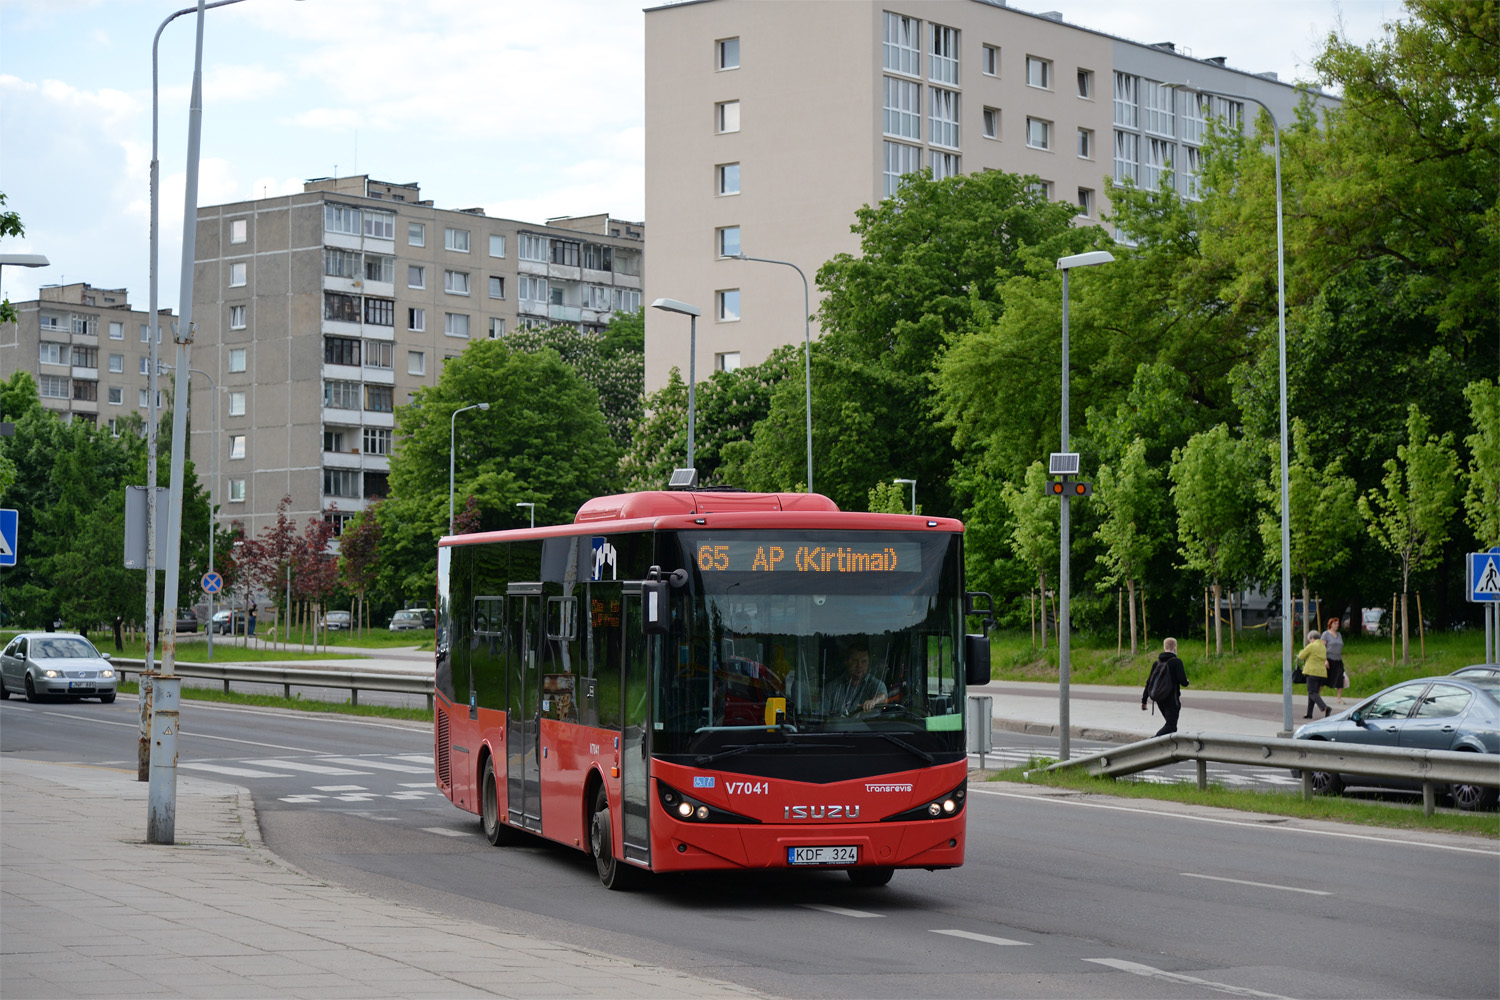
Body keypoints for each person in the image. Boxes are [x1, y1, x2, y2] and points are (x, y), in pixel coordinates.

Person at [1140, 637, 1190, 736]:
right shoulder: (1177, 662)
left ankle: (1166, 749)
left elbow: (1149, 682)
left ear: (1164, 647)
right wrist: (1187, 682)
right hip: (1172, 700)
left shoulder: (1157, 663)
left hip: (1159, 700)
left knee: (1170, 727)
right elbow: (1183, 681)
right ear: (1175, 648)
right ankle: (1152, 744)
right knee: (1171, 726)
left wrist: (1144, 700)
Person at [825, 639, 887, 715]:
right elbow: (823, 716)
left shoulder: (876, 685)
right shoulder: (832, 688)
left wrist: (874, 701)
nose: (859, 666)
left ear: (868, 664)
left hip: (868, 726)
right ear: (846, 661)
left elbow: (883, 697)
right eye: (854, 660)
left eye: (863, 661)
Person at [1297, 629, 1331, 718]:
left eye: (1309, 639)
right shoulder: (1323, 647)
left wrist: (1301, 651)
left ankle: (1324, 707)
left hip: (1312, 672)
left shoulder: (1311, 646)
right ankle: (1309, 713)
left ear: (1312, 638)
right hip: (1321, 673)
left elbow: (1301, 656)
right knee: (1313, 693)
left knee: (1312, 692)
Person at [1321, 616, 1347, 705]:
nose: (1337, 625)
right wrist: (1325, 660)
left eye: (1338, 624)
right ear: (1330, 624)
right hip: (1329, 659)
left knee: (1340, 678)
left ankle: (1339, 698)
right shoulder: (1325, 634)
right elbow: (1322, 648)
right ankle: (1317, 695)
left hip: (1338, 659)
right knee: (1324, 679)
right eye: (1335, 623)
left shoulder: (1339, 634)